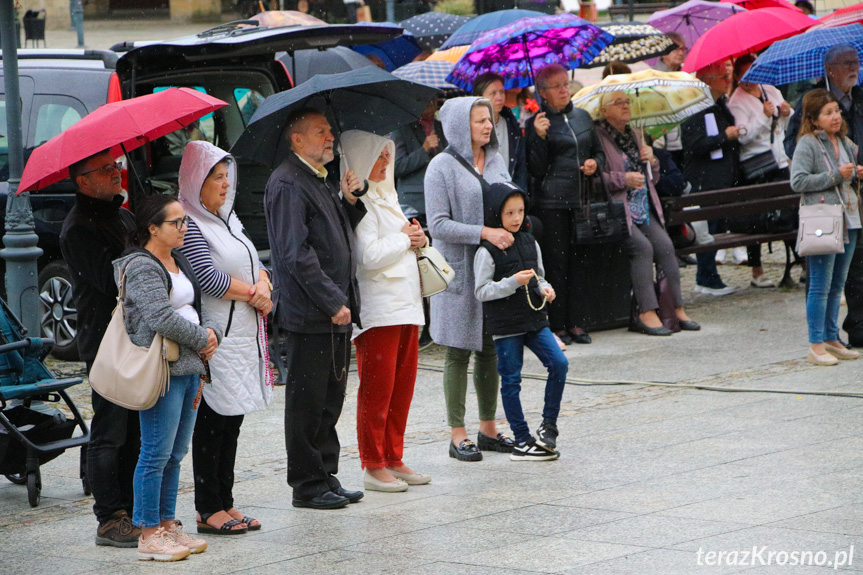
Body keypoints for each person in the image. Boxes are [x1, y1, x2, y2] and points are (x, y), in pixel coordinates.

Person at [264, 108, 366, 509]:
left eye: (330, 130)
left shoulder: (317, 178)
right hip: (311, 313)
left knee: (331, 397)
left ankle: (326, 473)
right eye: (320, 132)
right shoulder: (288, 182)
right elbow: (296, 253)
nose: (330, 137)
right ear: (297, 141)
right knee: (307, 402)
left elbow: (332, 232)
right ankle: (307, 484)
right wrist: (331, 300)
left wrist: (350, 201)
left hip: (333, 310)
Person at [114, 194, 221, 561]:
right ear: (152, 228)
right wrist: (203, 339)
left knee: (175, 453)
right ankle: (147, 533)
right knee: (155, 451)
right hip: (163, 369)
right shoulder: (141, 265)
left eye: (184, 221)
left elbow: (192, 308)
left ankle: (167, 524)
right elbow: (160, 317)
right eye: (175, 222)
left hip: (190, 366)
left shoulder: (177, 259)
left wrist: (212, 336)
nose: (184, 228)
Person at [176, 142, 274, 535]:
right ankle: (207, 507)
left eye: (226, 177)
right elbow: (209, 279)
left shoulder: (229, 219)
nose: (224, 184)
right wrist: (255, 292)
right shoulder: (190, 221)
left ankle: (226, 501)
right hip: (217, 335)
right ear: (195, 181)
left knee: (232, 419)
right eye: (215, 177)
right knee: (212, 422)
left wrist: (265, 282)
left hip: (244, 335)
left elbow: (256, 263)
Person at [339, 130, 431, 492]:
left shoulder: (387, 197)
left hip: (406, 306)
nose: (386, 162)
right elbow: (367, 256)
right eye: (377, 156)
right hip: (380, 311)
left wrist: (417, 239)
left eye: (387, 155)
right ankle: (373, 463)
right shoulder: (361, 202)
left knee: (401, 389)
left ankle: (393, 456)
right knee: (377, 390)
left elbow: (397, 247)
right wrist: (404, 240)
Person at [425, 96, 514, 462]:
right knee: (459, 351)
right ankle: (457, 434)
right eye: (479, 120)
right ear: (461, 125)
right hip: (458, 272)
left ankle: (489, 428)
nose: (487, 126)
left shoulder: (495, 159)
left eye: (489, 119)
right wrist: (484, 232)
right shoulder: (440, 168)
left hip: (491, 268)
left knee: (490, 347)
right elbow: (438, 225)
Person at [60, 151, 140, 548]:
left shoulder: (120, 213)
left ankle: (130, 507)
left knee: (136, 428)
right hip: (105, 340)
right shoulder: (78, 228)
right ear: (83, 181)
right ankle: (109, 518)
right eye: (106, 169)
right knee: (109, 430)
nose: (116, 173)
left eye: (116, 166)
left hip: (134, 336)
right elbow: (113, 279)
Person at [474, 182, 568, 461]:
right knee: (511, 379)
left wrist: (545, 288)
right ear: (496, 215)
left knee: (559, 363)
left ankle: (548, 426)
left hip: (535, 318)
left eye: (520, 211)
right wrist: (511, 283)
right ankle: (521, 438)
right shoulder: (486, 251)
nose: (516, 218)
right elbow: (481, 291)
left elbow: (538, 275)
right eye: (509, 213)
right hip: (505, 325)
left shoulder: (530, 240)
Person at [595, 91, 700, 335]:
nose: (625, 106)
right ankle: (646, 311)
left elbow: (654, 177)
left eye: (627, 102)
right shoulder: (598, 137)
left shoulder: (635, 134)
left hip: (642, 207)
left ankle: (676, 307)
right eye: (618, 103)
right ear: (605, 110)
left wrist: (652, 160)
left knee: (665, 246)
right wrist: (623, 179)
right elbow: (596, 179)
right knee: (643, 248)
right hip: (618, 212)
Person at [526, 63, 605, 345]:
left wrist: (595, 163)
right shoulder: (536, 123)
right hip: (551, 202)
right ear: (543, 94)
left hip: (581, 198)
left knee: (580, 261)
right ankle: (557, 323)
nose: (564, 90)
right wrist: (540, 138)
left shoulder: (583, 117)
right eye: (556, 86)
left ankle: (577, 321)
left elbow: (598, 150)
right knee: (556, 263)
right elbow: (536, 169)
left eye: (565, 84)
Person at [790, 89, 863, 365]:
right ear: (814, 119)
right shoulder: (808, 144)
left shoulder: (843, 140)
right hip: (824, 219)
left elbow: (847, 171)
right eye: (828, 112)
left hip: (850, 216)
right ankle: (816, 343)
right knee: (820, 284)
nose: (836, 116)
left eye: (837, 110)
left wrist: (855, 172)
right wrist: (835, 175)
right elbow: (798, 181)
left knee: (838, 283)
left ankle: (832, 337)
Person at [728, 54, 794, 289]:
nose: (750, 80)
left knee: (790, 208)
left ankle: (800, 262)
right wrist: (764, 117)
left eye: (753, 73)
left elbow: (786, 119)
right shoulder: (736, 101)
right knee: (757, 216)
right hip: (756, 162)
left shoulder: (770, 89)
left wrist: (786, 112)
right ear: (737, 77)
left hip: (779, 158)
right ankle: (757, 269)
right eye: (744, 75)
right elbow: (744, 136)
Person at [681, 59, 740, 296]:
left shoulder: (720, 103)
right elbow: (693, 145)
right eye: (723, 78)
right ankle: (707, 278)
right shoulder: (696, 106)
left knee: (715, 229)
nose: (728, 82)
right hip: (705, 179)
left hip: (721, 176)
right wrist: (724, 137)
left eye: (728, 77)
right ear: (708, 82)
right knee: (707, 230)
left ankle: (709, 276)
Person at [390, 95, 447, 221]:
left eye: (434, 101)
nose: (431, 105)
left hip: (440, 199)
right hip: (413, 202)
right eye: (427, 101)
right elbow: (397, 167)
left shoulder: (441, 127)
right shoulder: (401, 129)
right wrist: (424, 150)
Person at [473, 72, 528, 191]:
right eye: (493, 93)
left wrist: (519, 192)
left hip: (509, 190)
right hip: (484, 191)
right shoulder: (473, 127)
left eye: (502, 92)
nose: (499, 97)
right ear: (480, 96)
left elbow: (520, 165)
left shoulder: (511, 123)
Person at [652, 33, 687, 168]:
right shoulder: (654, 78)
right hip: (664, 143)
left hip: (685, 140)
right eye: (675, 49)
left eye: (683, 49)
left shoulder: (685, 75)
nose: (680, 53)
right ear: (663, 53)